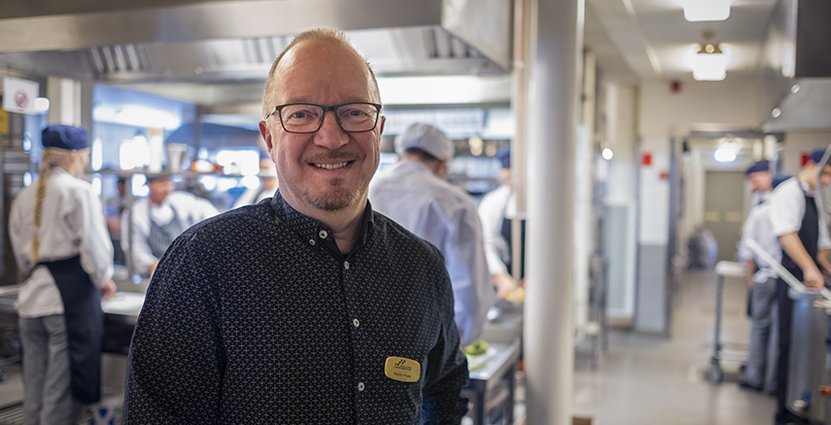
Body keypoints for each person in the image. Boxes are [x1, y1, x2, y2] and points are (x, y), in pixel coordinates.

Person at [124, 28, 468, 424]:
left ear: (379, 130)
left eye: (355, 111)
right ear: (269, 138)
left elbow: (444, 391)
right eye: (302, 114)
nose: (331, 137)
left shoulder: (421, 266)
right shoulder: (203, 263)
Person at [9, 124, 117, 425]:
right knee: (61, 394)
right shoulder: (78, 190)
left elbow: (22, 255)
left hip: (31, 302)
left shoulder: (24, 195)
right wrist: (103, 278)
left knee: (35, 390)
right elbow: (95, 249)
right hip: (66, 304)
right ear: (75, 155)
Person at [369, 122, 494, 347]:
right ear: (442, 163)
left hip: (368, 337)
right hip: (429, 340)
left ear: (401, 154)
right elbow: (469, 291)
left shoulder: (369, 189)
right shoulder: (456, 203)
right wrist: (455, 345)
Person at [768, 148, 831, 425]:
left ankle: (807, 405)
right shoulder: (788, 192)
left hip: (811, 285)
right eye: (826, 174)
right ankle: (786, 412)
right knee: (790, 347)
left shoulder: (815, 198)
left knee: (813, 350)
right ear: (811, 166)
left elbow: (821, 248)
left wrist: (824, 268)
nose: (828, 181)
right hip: (791, 283)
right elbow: (786, 234)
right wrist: (808, 268)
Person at [737, 173, 789, 394]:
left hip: (765, 278)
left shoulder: (761, 212)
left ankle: (755, 376)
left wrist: (750, 280)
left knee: (760, 328)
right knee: (779, 330)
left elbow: (747, 250)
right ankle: (773, 382)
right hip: (784, 279)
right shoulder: (786, 213)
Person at [121, 173, 218, 276]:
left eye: (168, 184)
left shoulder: (179, 201)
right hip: (155, 275)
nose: (167, 189)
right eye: (162, 184)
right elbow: (136, 250)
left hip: (184, 269)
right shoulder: (136, 212)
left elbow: (206, 209)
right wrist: (157, 267)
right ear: (150, 185)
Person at [478, 148, 522, 298]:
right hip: (506, 282)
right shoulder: (493, 202)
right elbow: (486, 242)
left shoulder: (543, 203)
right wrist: (500, 276)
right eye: (505, 170)